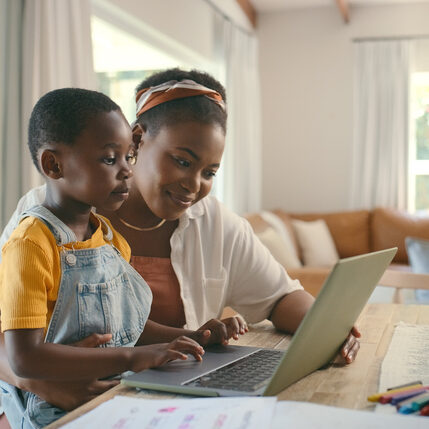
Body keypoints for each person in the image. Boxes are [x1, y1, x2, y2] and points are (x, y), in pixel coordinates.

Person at [0, 69, 360, 413]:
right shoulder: (42, 222)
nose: (194, 185)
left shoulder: (203, 223)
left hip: (158, 400)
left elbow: (279, 295)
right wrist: (40, 384)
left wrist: (328, 330)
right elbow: (18, 346)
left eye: (209, 172)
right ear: (139, 140)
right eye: (182, 161)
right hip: (54, 404)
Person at [0, 88, 246, 429]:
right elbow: (24, 358)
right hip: (51, 411)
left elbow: (127, 323)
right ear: (53, 165)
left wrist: (190, 337)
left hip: (111, 395)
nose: (127, 171)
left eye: (128, 157)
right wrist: (135, 356)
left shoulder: (108, 238)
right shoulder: (31, 243)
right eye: (108, 159)